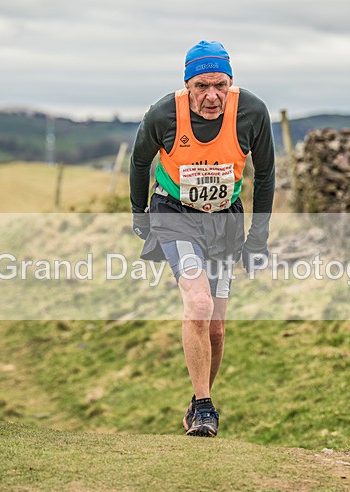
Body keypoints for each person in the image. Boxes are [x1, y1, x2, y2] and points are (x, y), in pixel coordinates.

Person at [129, 40, 275, 437]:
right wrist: (140, 216)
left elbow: (265, 175)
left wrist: (257, 238)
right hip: (174, 213)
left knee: (216, 328)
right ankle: (208, 408)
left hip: (224, 219)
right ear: (187, 85)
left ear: (231, 82)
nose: (212, 96)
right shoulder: (163, 114)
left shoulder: (252, 113)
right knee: (198, 302)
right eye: (201, 86)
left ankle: (197, 402)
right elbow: (140, 162)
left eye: (220, 85)